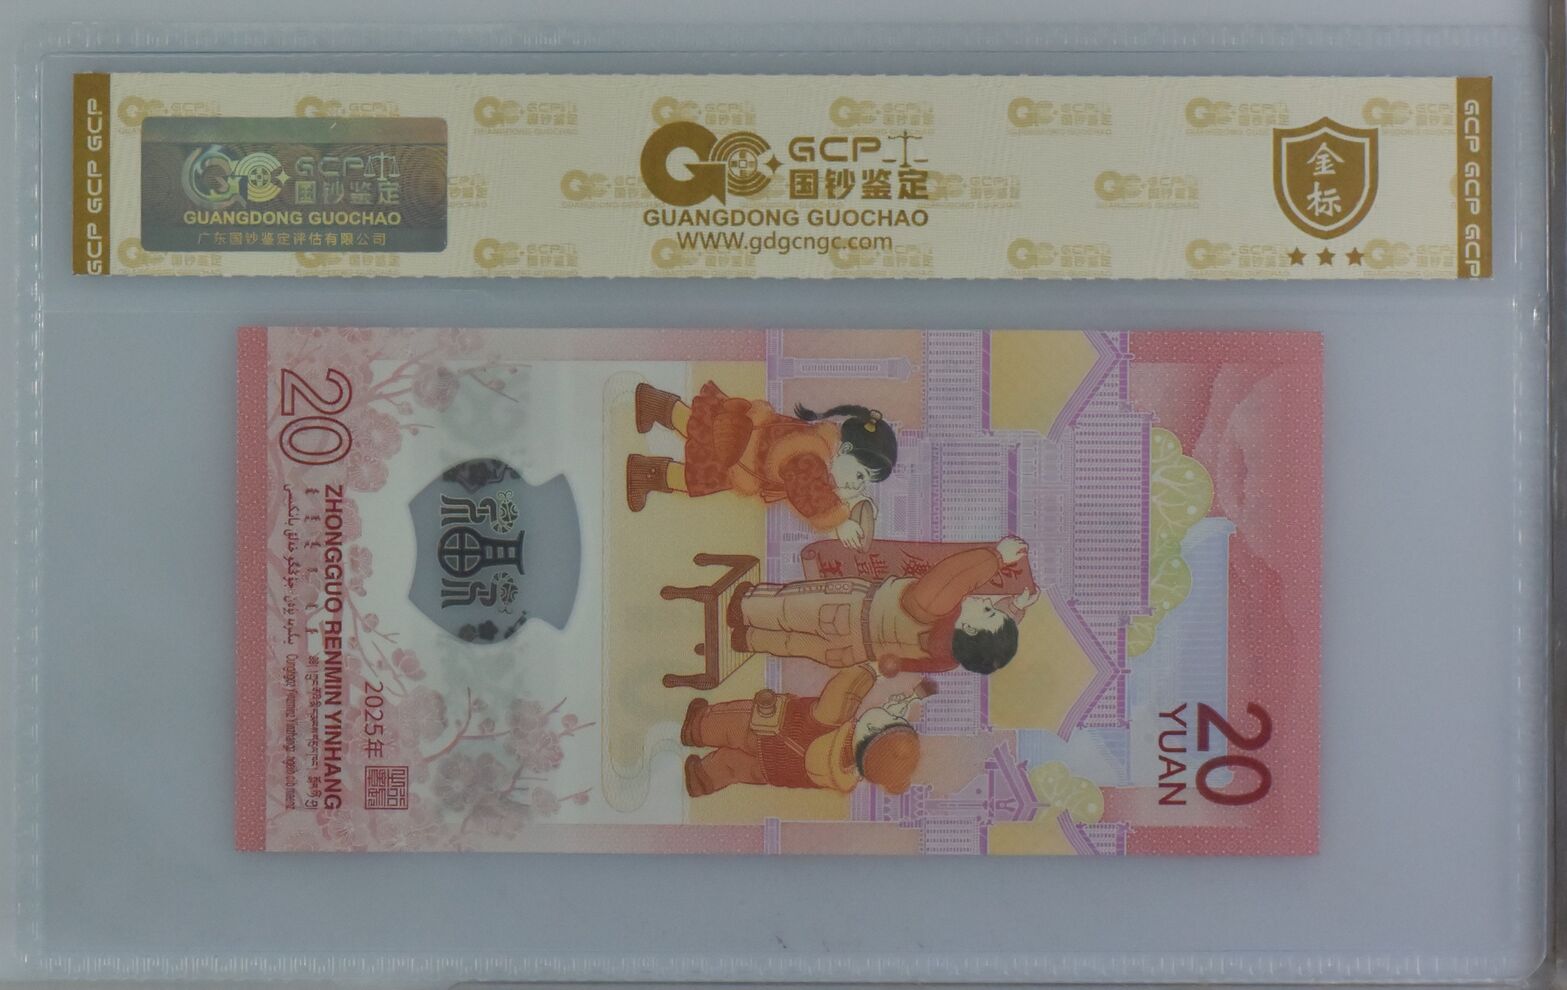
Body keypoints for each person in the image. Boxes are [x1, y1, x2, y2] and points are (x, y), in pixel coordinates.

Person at [626, 382, 898, 549]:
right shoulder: (812, 456)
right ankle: (644, 468)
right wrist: (839, 522)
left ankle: (653, 409)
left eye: (865, 482)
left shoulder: (822, 447)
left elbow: (824, 486)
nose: (858, 484)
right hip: (740, 453)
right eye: (861, 475)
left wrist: (855, 502)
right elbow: (809, 495)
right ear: (846, 449)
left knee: (696, 426)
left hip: (745, 445)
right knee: (694, 469)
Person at [727, 537, 1038, 677]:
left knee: (787, 609)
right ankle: (749, 639)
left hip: (845, 611)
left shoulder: (935, 606)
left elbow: (954, 577)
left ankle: (744, 607)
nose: (985, 601)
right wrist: (1014, 607)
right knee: (793, 644)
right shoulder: (948, 659)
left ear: (968, 627)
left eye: (988, 610)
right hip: (852, 652)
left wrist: (997, 557)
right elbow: (984, 643)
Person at [681, 665, 934, 797]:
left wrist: (869, 671)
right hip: (772, 771)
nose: (892, 712)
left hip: (767, 731)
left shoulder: (834, 720)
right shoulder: (842, 772)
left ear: (871, 731)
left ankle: (697, 726)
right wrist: (911, 699)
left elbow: (844, 689)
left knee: (731, 724)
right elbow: (887, 721)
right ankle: (703, 778)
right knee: (733, 767)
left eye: (892, 719)